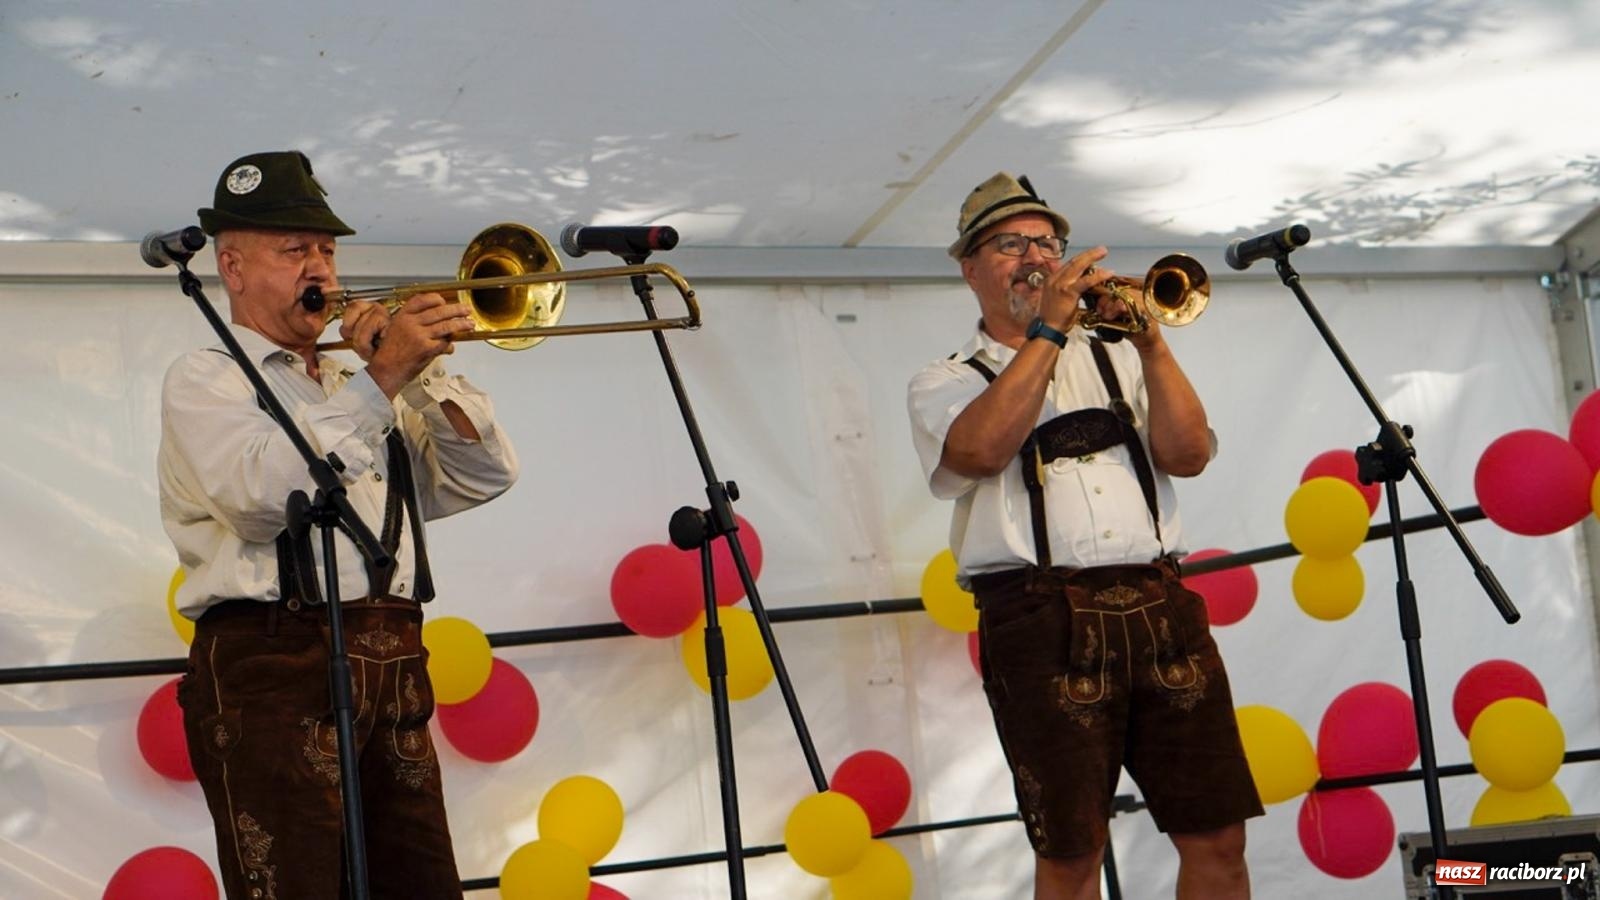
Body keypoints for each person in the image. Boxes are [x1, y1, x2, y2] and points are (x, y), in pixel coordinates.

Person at [158, 150, 518, 899]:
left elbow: (482, 475)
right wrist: (382, 380)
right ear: (231, 267)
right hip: (270, 667)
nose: (319, 268)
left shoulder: (359, 389)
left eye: (325, 249)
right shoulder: (208, 377)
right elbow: (259, 499)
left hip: (393, 661)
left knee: (421, 885)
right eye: (294, 250)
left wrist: (423, 374)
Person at [907, 172, 1261, 899]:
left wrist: (1154, 345)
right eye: (1012, 244)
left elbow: (1189, 456)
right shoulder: (945, 378)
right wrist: (1049, 331)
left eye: (1048, 241)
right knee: (1072, 855)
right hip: (1040, 620)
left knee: (1219, 837)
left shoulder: (1123, 357)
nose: (1037, 257)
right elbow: (976, 453)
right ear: (970, 266)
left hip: (1161, 605)